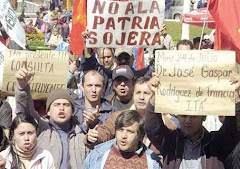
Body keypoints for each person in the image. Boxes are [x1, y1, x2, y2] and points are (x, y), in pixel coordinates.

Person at [144, 73, 239, 168]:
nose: (188, 120)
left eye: (193, 116)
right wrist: (155, 97)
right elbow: (152, 129)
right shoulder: (171, 141)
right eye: (183, 115)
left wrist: (236, 98)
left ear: (204, 117)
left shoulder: (216, 143)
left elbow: (233, 129)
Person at [15, 68, 90, 169]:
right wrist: (22, 87)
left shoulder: (82, 136)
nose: (61, 108)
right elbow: (26, 110)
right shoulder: (41, 128)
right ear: (48, 111)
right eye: (57, 105)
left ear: (72, 112)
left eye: (66, 105)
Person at [82, 110, 162, 169]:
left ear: (140, 136)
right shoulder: (98, 154)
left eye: (130, 132)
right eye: (120, 130)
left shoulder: (152, 161)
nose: (124, 136)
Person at [69, 70, 118, 134]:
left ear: (103, 88)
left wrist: (97, 122)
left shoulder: (112, 112)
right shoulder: (73, 109)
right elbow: (69, 134)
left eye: (97, 86)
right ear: (82, 87)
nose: (93, 90)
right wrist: (86, 124)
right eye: (89, 85)